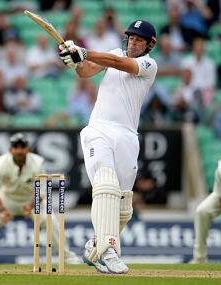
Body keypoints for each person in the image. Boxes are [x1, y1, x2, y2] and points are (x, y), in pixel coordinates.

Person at [58, 19, 157, 274]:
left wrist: (84, 51)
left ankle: (95, 248)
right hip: (99, 129)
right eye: (131, 38)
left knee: (123, 208)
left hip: (127, 136)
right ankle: (109, 250)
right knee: (105, 185)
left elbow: (120, 64)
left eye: (139, 40)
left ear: (150, 45)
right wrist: (76, 60)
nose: (133, 43)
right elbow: (85, 71)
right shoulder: (113, 53)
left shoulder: (148, 65)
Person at [0, 133, 80, 265]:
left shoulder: (37, 163)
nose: (20, 151)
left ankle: (68, 257)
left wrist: (31, 206)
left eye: (23, 147)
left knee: (51, 221)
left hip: (30, 201)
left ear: (28, 149)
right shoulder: (1, 163)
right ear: (11, 150)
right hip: (7, 200)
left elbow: (42, 191)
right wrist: (2, 210)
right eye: (16, 147)